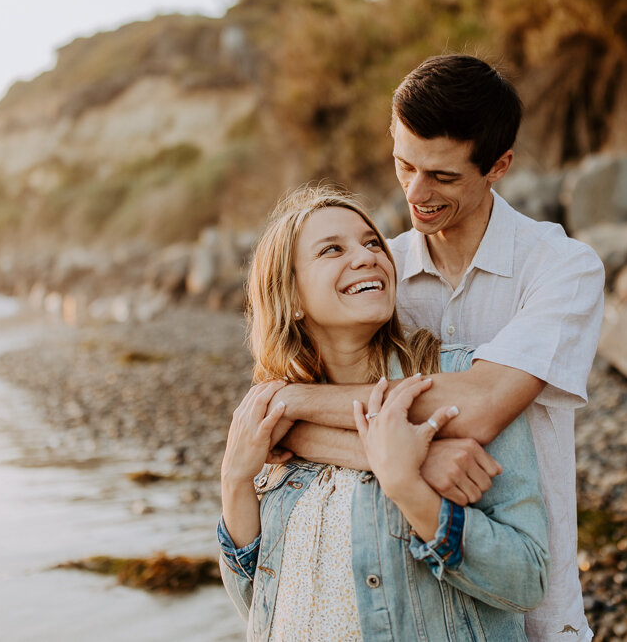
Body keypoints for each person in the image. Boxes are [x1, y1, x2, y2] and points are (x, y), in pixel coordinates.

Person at [273, 55, 606, 641]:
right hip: (410, 605)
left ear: (498, 166)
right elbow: (273, 426)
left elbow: (477, 407)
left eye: (443, 177)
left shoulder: (561, 269)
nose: (416, 194)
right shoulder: (377, 272)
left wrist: (298, 401)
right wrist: (409, 461)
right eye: (405, 165)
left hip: (533, 606)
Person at [218, 184, 549, 640]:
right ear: (290, 297)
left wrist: (408, 489)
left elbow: (527, 580)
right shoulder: (273, 421)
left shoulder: (455, 380)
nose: (367, 256)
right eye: (332, 249)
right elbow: (259, 606)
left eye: (372, 242)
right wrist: (235, 483)